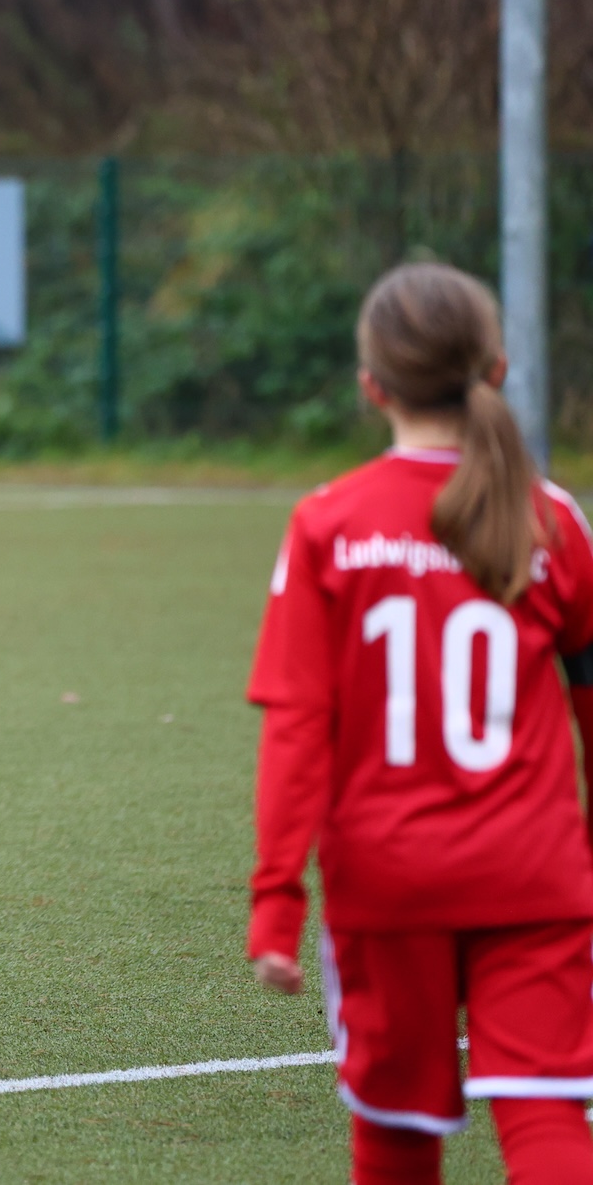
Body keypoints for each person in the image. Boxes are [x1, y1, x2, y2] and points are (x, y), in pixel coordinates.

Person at [247, 263, 593, 1183]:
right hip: (536, 874)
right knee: (547, 1115)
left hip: (387, 882)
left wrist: (277, 899)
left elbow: (297, 726)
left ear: (373, 386)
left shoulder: (329, 523)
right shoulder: (555, 520)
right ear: (497, 370)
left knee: (397, 1131)